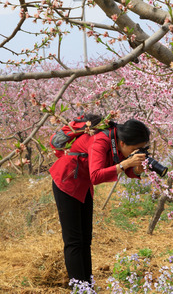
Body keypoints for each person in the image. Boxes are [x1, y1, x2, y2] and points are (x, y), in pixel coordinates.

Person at [49, 114, 150, 287]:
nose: (138, 152)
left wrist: (137, 169)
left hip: (83, 185)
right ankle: (79, 288)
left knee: (86, 239)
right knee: (74, 240)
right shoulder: (101, 141)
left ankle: (87, 285)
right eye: (137, 148)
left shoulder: (119, 141)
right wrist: (126, 164)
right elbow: (96, 176)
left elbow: (124, 168)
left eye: (142, 149)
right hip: (66, 181)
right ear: (124, 143)